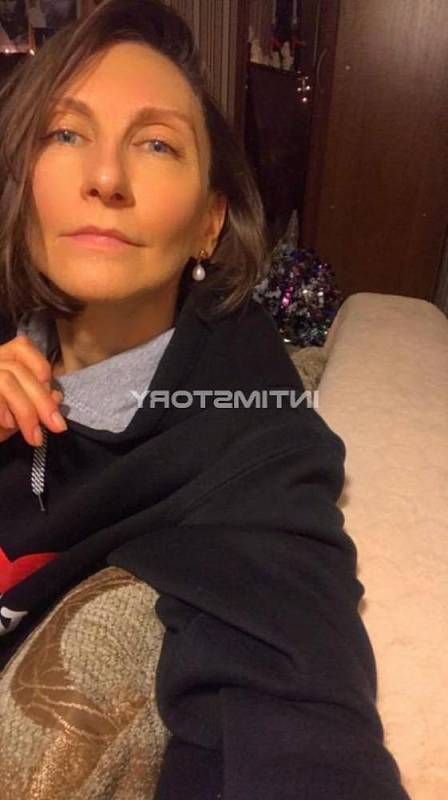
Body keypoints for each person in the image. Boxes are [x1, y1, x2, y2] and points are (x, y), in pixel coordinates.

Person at [0, 1, 410, 798]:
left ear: (209, 223)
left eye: (156, 144)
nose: (105, 178)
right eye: (65, 133)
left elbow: (292, 687)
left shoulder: (242, 429)